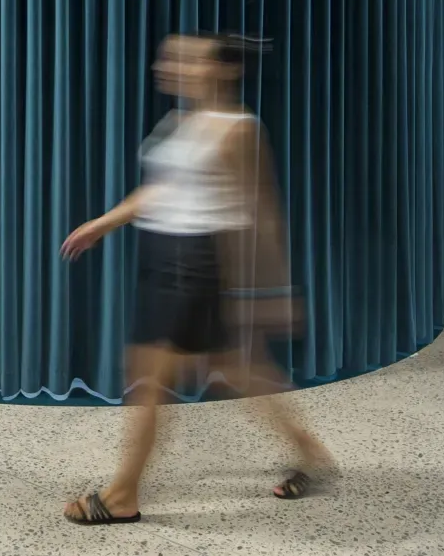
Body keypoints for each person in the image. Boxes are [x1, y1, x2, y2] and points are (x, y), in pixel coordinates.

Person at [60, 33, 334, 527]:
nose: (173, 65)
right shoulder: (180, 121)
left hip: (192, 266)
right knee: (242, 371)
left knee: (147, 381)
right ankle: (310, 450)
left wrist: (273, 292)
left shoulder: (238, 129)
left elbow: (263, 213)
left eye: (189, 58)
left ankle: (122, 495)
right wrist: (104, 222)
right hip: (162, 259)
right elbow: (158, 191)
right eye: (171, 57)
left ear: (224, 70)